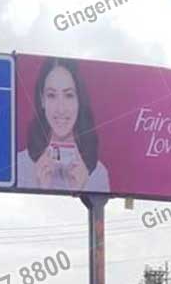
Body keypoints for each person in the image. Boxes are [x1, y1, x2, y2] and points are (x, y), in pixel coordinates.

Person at [17, 57, 110, 193]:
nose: (61, 109)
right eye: (51, 95)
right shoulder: (20, 166)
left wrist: (80, 191)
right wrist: (41, 189)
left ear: (79, 99)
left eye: (69, 95)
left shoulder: (98, 174)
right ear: (42, 99)